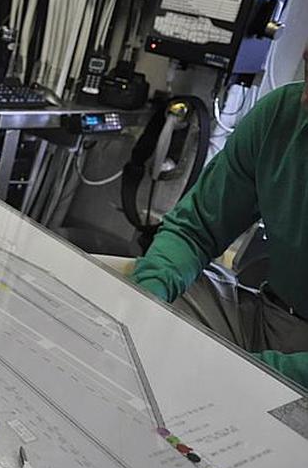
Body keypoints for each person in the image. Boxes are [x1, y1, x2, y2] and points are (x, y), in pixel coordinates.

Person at [130, 43, 308, 388]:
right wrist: (146, 300)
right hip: (269, 317)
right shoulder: (281, 115)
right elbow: (196, 229)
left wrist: (244, 375)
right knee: (155, 285)